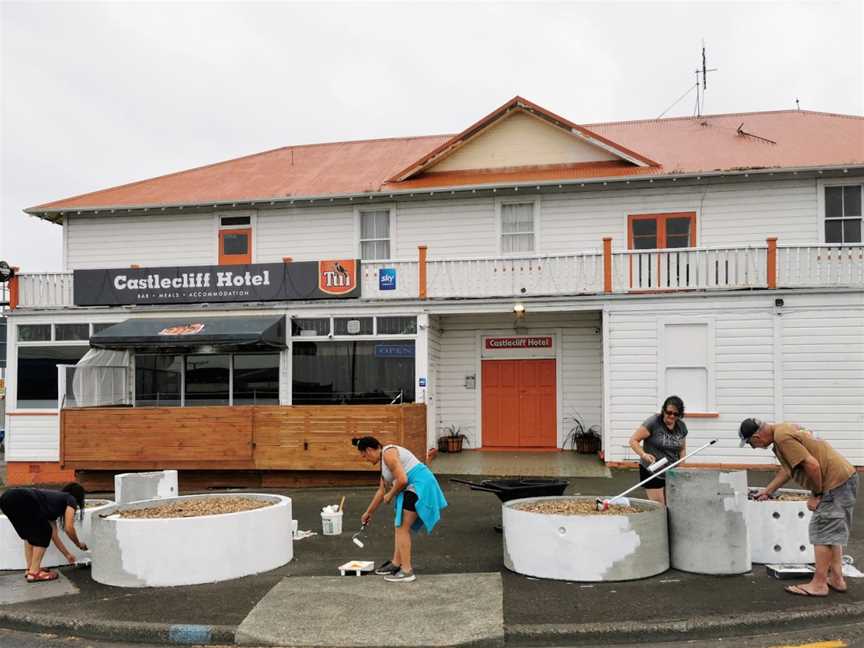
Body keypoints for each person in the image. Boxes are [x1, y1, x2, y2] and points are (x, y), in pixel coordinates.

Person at [740, 418, 858, 597]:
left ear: (756, 437)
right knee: (832, 533)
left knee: (821, 533)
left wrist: (816, 494)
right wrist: (768, 491)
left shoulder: (782, 438)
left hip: (833, 484)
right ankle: (836, 579)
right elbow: (790, 469)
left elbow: (812, 465)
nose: (753, 447)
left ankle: (819, 584)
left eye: (750, 444)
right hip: (843, 480)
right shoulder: (783, 430)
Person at [354, 436, 448, 583]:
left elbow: (403, 479)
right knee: (399, 526)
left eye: (363, 454)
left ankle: (407, 571)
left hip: (420, 484)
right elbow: (381, 491)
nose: (364, 458)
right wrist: (368, 512)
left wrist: (391, 494)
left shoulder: (388, 454)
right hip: (413, 486)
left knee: (402, 528)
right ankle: (396, 564)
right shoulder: (383, 463)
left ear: (369, 450)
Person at [0, 482, 88, 582]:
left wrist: (67, 555)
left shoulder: (51, 504)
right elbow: (69, 528)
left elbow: (54, 536)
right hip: (22, 498)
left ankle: (30, 568)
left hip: (7, 498)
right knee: (43, 532)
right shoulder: (70, 499)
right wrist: (78, 544)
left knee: (31, 535)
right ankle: (34, 573)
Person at [628, 396, 688, 505]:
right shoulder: (653, 423)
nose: (672, 416)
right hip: (653, 470)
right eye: (669, 412)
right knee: (659, 505)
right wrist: (643, 454)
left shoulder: (681, 426)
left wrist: (682, 466)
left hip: (672, 472)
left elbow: (682, 448)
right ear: (663, 410)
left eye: (676, 414)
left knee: (672, 504)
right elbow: (633, 441)